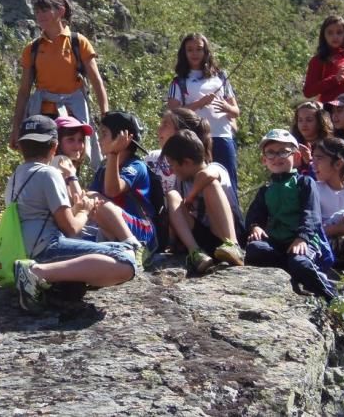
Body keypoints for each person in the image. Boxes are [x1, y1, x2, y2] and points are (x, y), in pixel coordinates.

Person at [8, 115, 138, 314]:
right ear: (54, 147)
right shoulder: (48, 173)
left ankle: (47, 282)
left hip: (22, 247)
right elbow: (71, 228)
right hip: (44, 248)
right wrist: (85, 211)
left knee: (121, 249)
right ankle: (35, 273)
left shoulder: (16, 174)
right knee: (127, 262)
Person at [10, 0, 109, 167]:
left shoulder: (78, 42)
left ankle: (71, 195)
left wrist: (106, 119)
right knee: (43, 164)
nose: (40, 16)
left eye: (45, 10)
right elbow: (24, 91)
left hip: (73, 115)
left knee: (70, 165)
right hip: (43, 115)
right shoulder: (32, 48)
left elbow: (97, 83)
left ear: (61, 11)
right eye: (38, 11)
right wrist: (16, 127)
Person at [244, 129, 337, 302]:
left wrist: (302, 237)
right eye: (270, 153)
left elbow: (312, 214)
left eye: (283, 152)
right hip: (278, 242)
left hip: (303, 240)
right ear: (264, 160)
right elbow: (255, 213)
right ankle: (289, 268)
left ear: (295, 157)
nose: (276, 157)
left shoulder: (304, 183)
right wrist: (255, 226)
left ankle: (330, 297)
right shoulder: (266, 188)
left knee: (300, 263)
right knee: (255, 249)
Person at [160, 130, 245, 274]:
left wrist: (190, 197)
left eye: (172, 165)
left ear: (186, 162)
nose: (172, 170)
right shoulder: (181, 181)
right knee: (172, 195)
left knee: (210, 185)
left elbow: (205, 175)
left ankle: (233, 245)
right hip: (204, 238)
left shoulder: (216, 168)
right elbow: (176, 212)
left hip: (223, 234)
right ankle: (196, 253)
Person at [167, 33, 240, 194]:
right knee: (197, 184)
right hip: (195, 140)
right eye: (190, 50)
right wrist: (199, 104)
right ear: (184, 53)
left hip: (222, 136)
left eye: (199, 49)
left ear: (206, 51)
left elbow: (236, 111)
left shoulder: (221, 77)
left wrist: (227, 108)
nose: (195, 54)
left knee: (229, 183)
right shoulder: (179, 81)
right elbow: (173, 113)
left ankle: (234, 218)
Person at [88, 111, 158, 259]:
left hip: (142, 230)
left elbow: (112, 191)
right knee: (89, 201)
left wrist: (113, 153)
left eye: (104, 134)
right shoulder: (103, 169)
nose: (99, 140)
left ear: (121, 138)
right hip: (113, 228)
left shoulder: (137, 166)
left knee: (99, 203)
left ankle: (136, 248)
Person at [312, 137, 344, 268]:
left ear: (338, 164)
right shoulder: (313, 189)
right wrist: (337, 229)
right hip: (327, 245)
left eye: (319, 158)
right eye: (313, 158)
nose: (313, 163)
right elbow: (308, 228)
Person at [303, 15, 344, 103]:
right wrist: (335, 79)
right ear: (324, 36)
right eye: (330, 33)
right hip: (331, 113)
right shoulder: (318, 60)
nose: (335, 36)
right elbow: (308, 92)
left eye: (339, 32)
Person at [52, 114, 93, 200]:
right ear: (57, 142)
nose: (77, 145)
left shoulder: (55, 161)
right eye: (71, 139)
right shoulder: (61, 161)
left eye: (80, 140)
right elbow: (77, 200)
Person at [290, 100, 334, 176]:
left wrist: (309, 161)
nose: (304, 124)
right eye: (300, 120)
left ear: (320, 122)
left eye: (309, 120)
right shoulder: (292, 145)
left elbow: (328, 176)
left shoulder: (328, 147)